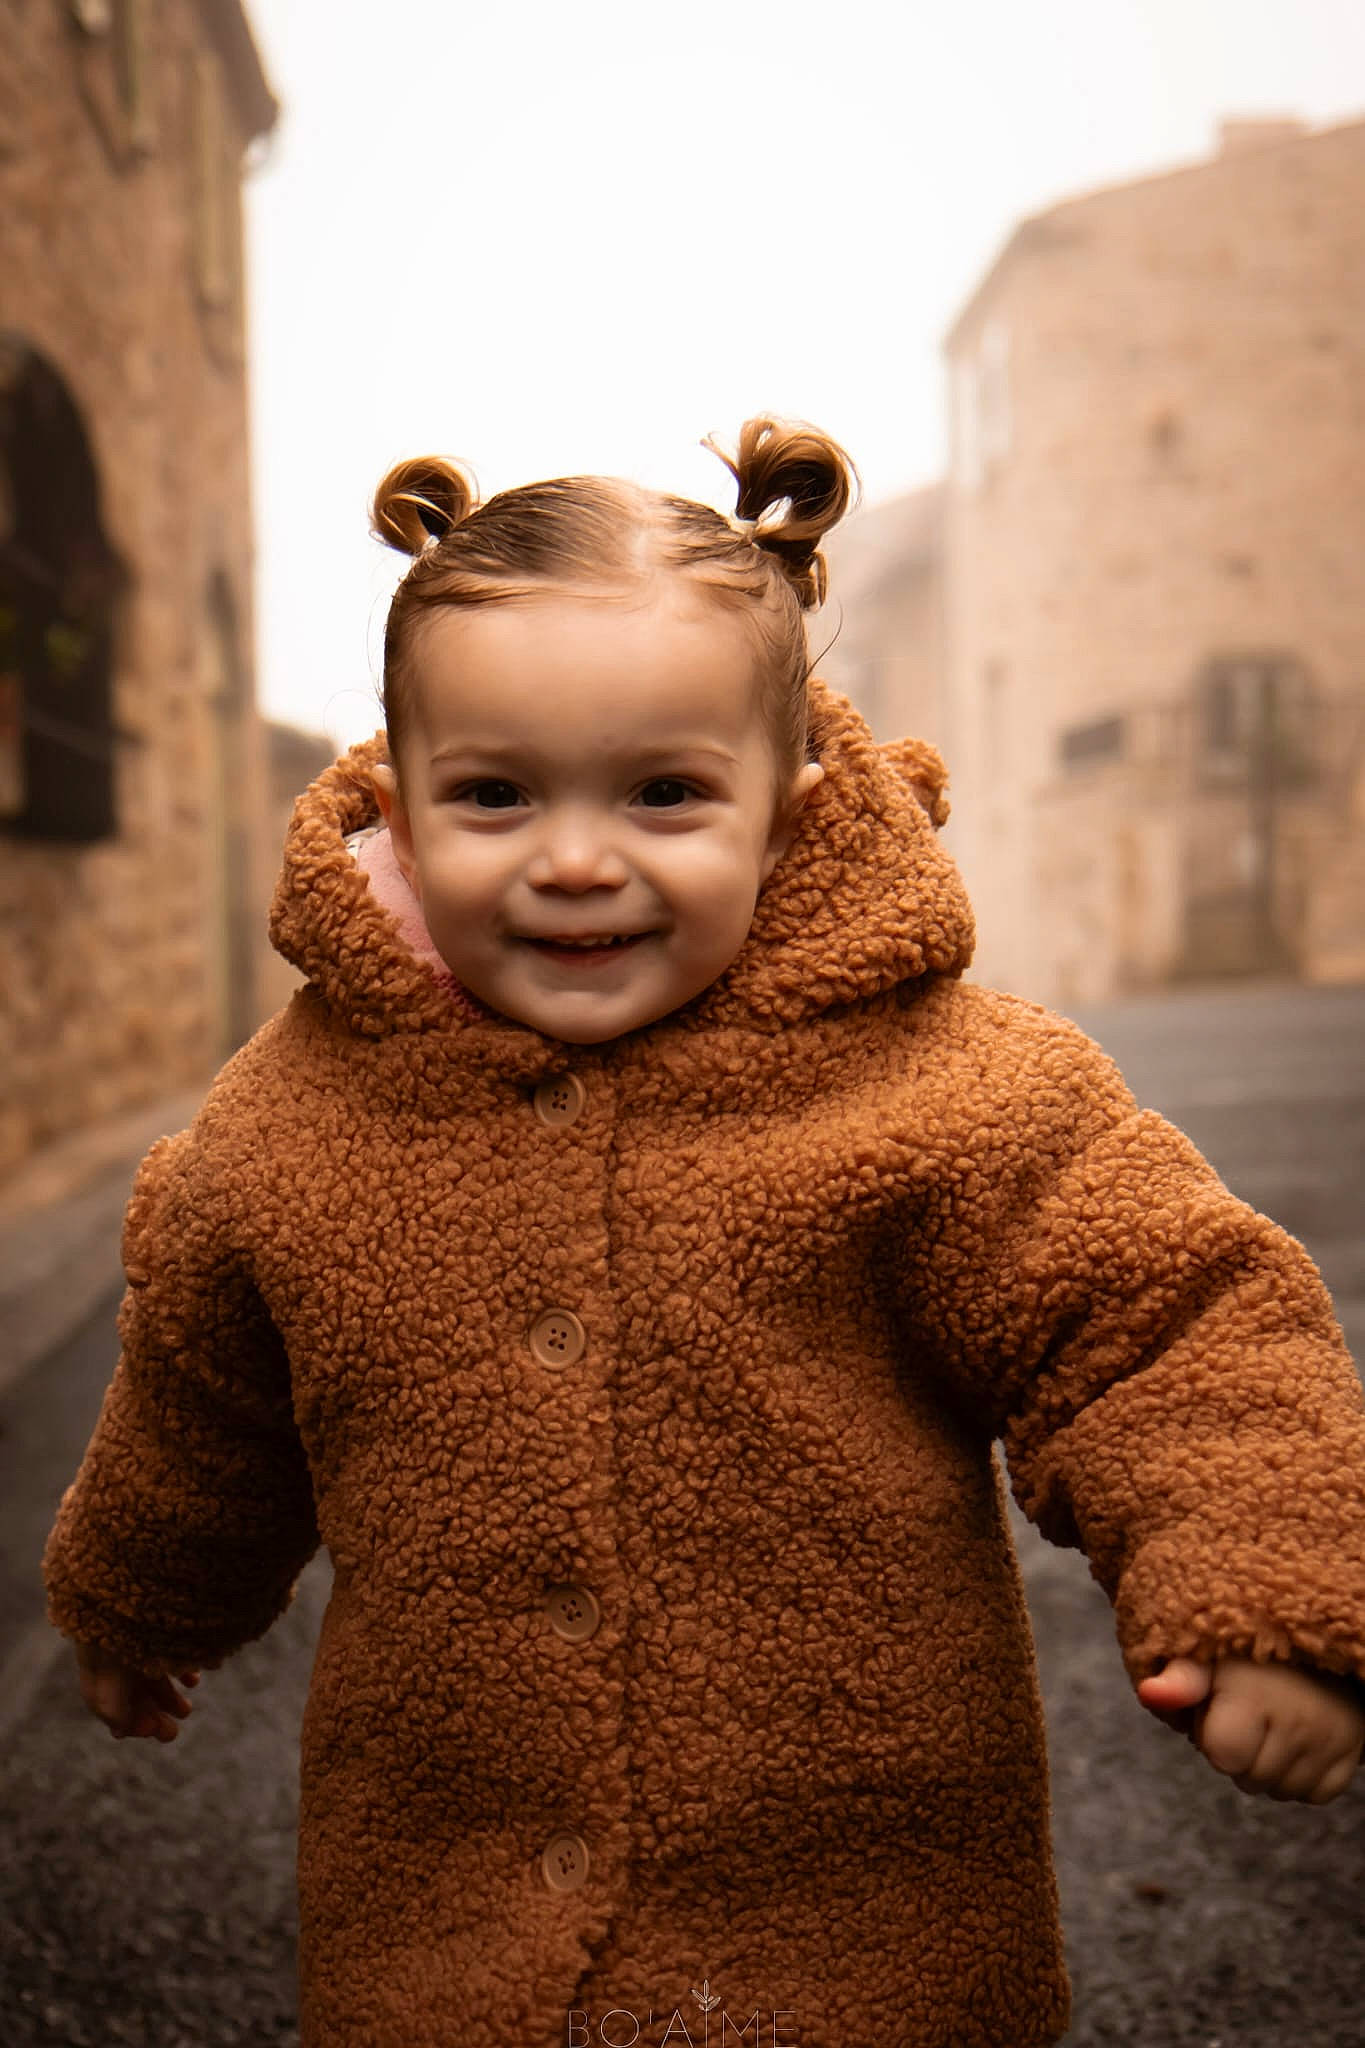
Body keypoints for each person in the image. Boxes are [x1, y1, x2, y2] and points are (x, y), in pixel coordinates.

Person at [44, 416, 1365, 2048]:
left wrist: (1260, 1590)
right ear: (395, 796)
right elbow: (201, 1406)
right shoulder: (290, 1127)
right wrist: (137, 1604)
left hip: (864, 1937)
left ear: (788, 801)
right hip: (441, 1933)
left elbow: (1163, 1321)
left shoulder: (945, 1089)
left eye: (666, 794)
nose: (576, 859)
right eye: (495, 796)